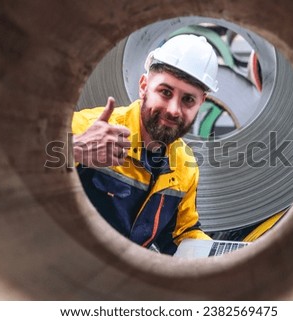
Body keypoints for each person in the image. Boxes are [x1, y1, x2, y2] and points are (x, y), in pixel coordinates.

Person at [71, 34, 219, 255]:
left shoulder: (186, 165)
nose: (173, 110)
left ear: (201, 104)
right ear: (143, 86)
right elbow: (12, 168)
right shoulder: (87, 127)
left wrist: (221, 255)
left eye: (188, 100)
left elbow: (182, 233)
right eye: (165, 92)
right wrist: (73, 149)